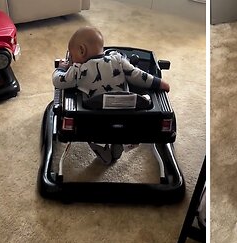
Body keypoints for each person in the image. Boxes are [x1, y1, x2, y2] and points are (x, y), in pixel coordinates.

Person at [52, 26, 170, 164]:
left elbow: (58, 81)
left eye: (72, 56)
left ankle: (100, 148)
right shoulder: (118, 60)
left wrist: (62, 68)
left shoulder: (78, 70)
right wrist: (159, 82)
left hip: (95, 120)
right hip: (127, 116)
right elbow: (138, 75)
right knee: (122, 125)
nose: (72, 60)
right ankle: (118, 143)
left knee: (90, 132)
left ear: (82, 50)